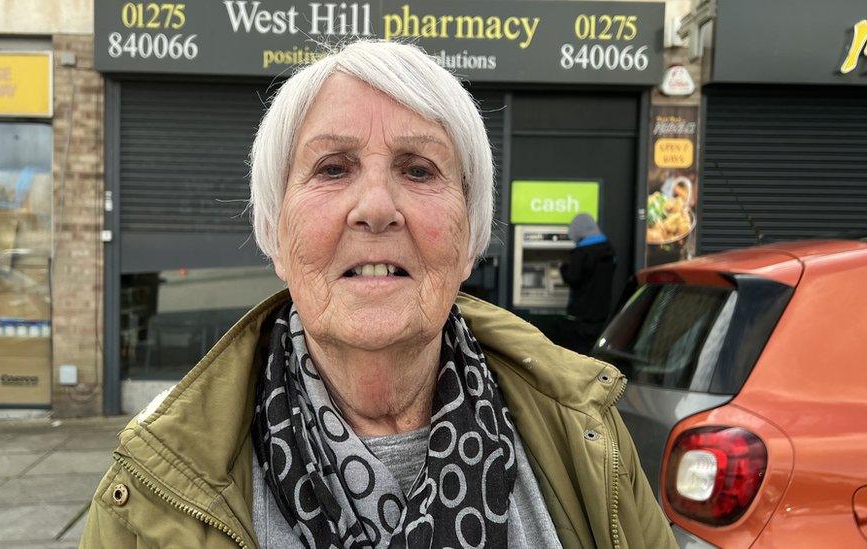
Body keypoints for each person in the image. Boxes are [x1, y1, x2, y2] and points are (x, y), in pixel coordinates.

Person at [81, 40, 675, 549]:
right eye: (333, 168)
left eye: (418, 170)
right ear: (274, 232)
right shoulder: (149, 491)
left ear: (470, 235)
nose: (376, 209)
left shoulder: (586, 434)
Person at [557, 213, 618, 354]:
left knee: (577, 351)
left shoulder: (582, 253)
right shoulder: (608, 250)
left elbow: (573, 278)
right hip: (602, 312)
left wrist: (562, 267)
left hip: (582, 314)